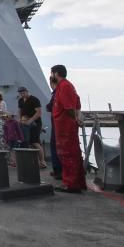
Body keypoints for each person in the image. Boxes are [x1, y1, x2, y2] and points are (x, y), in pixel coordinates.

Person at [50, 64, 85, 193]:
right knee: (73, 153)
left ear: (56, 73)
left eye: (52, 73)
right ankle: (78, 182)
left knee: (67, 154)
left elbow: (69, 107)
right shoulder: (65, 86)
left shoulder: (64, 86)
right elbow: (77, 103)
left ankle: (70, 184)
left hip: (65, 127)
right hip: (64, 126)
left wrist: (74, 120)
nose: (51, 76)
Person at [17, 86, 47, 169]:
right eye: (21, 93)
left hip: (35, 123)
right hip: (24, 123)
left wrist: (30, 120)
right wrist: (20, 119)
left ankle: (42, 161)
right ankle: (32, 161)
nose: (22, 94)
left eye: (23, 92)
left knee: (35, 141)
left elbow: (38, 112)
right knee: (26, 141)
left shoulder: (34, 99)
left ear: (27, 91)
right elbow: (20, 111)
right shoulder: (20, 101)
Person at [47, 75, 62, 179]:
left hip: (59, 125)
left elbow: (49, 106)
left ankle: (59, 171)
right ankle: (58, 170)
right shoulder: (59, 92)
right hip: (57, 124)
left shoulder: (57, 93)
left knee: (56, 147)